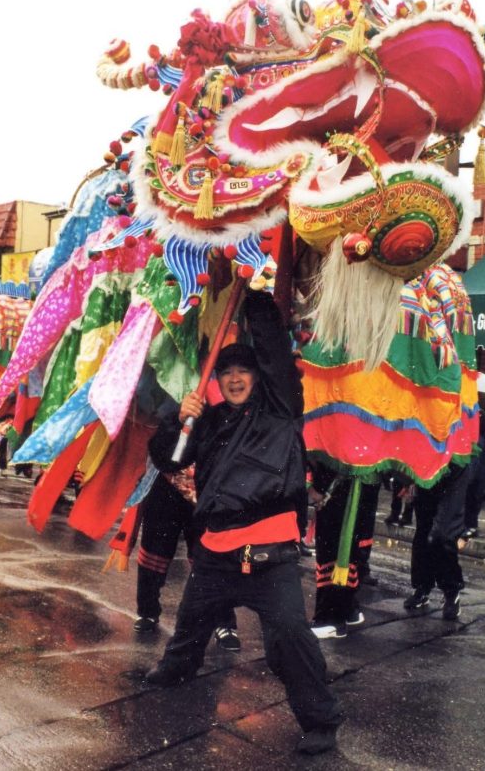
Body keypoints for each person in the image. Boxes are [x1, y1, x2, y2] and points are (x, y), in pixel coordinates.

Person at [145, 290, 343, 755]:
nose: (234, 379)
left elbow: (274, 350)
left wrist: (252, 291)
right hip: (216, 550)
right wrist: (180, 421)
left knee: (289, 637)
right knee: (191, 622)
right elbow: (167, 460)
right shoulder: (208, 421)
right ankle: (176, 669)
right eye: (226, 372)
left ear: (258, 377)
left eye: (243, 371)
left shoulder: (280, 410)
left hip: (270, 553)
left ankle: (321, 719)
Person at [133, 466, 240, 650]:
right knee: (155, 549)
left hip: (207, 483)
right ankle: (147, 611)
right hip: (166, 478)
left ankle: (225, 622)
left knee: (213, 554)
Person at [308, 466, 378, 639]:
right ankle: (348, 608)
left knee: (334, 551)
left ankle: (330, 618)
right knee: (352, 548)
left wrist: (318, 487)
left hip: (340, 487)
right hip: (364, 482)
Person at [403, 462, 471, 620]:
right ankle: (422, 586)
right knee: (423, 533)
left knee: (442, 534)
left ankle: (451, 591)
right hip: (428, 467)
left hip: (454, 466)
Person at [463, 402, 485, 539]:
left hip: (473, 471)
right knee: (474, 499)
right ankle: (471, 525)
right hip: (478, 470)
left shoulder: (476, 439)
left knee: (469, 498)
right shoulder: (484, 438)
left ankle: (468, 525)